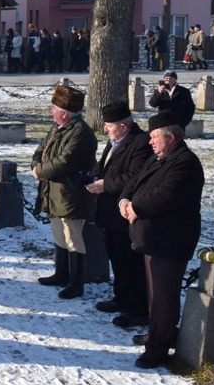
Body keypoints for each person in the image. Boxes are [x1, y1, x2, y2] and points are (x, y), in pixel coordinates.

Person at [119, 112, 204, 369]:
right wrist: (125, 199)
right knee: (155, 294)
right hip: (153, 238)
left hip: (170, 240)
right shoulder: (160, 158)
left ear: (173, 137)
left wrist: (136, 208)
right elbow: (134, 182)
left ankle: (158, 348)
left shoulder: (185, 163)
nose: (150, 142)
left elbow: (164, 195)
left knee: (164, 297)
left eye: (155, 137)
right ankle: (159, 333)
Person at [85, 101, 153, 328]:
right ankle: (121, 298)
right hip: (108, 213)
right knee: (116, 258)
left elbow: (135, 176)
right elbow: (103, 167)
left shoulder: (141, 143)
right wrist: (93, 177)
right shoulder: (115, 141)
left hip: (125, 214)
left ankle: (137, 308)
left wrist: (105, 184)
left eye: (109, 125)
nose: (105, 129)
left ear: (123, 126)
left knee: (130, 262)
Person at [31, 85, 97, 299]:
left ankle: (77, 282)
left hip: (71, 194)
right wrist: (36, 166)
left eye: (54, 108)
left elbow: (65, 162)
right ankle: (61, 273)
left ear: (64, 112)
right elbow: (41, 150)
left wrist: (40, 171)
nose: (51, 111)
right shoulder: (57, 128)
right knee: (59, 233)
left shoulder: (81, 132)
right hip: (55, 192)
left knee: (73, 237)